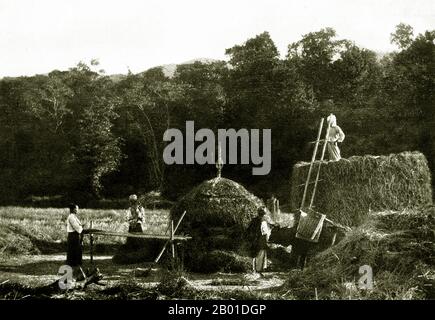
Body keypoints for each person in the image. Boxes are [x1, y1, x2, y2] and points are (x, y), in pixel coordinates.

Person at [66, 203, 87, 281]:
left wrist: (81, 227)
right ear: (73, 209)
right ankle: (73, 263)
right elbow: (77, 228)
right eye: (76, 209)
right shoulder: (71, 217)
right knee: (74, 249)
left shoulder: (74, 217)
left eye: (77, 209)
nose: (77, 210)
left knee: (76, 249)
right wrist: (81, 228)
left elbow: (79, 226)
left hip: (75, 235)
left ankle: (75, 262)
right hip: (73, 235)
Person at [252, 207, 272, 274]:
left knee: (255, 254)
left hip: (254, 240)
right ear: (264, 214)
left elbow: (249, 230)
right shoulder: (263, 221)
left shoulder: (254, 220)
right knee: (261, 254)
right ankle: (259, 270)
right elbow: (265, 233)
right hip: (261, 240)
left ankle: (255, 269)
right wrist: (266, 240)